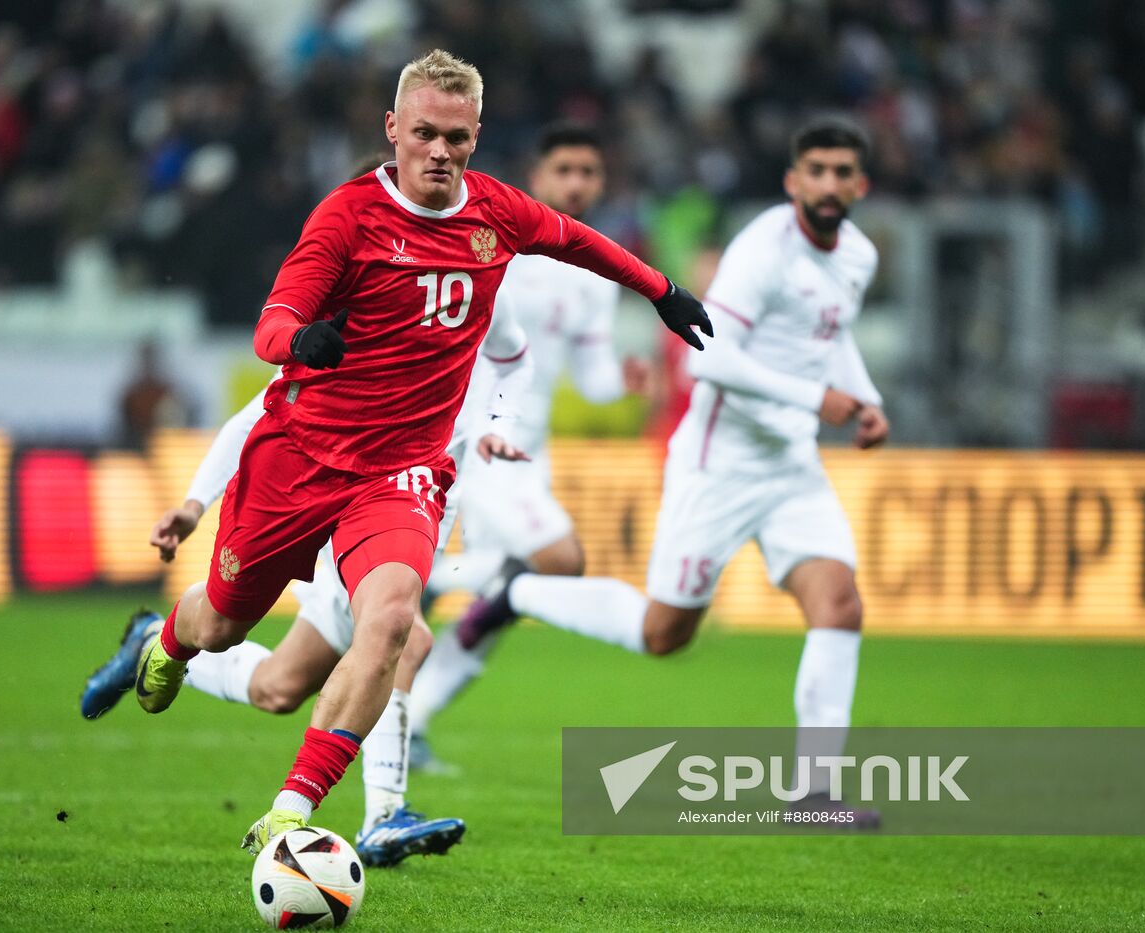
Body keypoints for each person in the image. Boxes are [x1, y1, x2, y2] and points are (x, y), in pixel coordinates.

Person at [123, 49, 711, 855]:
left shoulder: (495, 213)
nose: (441, 152)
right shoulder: (346, 216)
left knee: (396, 619)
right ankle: (165, 642)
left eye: (459, 138)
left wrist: (662, 291)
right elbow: (272, 326)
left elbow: (579, 243)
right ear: (393, 130)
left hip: (401, 475)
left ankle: (295, 812)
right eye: (426, 134)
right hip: (300, 461)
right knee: (224, 627)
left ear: (477, 137)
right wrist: (303, 338)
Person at [453, 119, 887, 824]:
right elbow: (707, 357)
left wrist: (865, 399)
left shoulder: (858, 256)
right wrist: (819, 399)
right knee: (664, 634)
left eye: (844, 172)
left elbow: (832, 340)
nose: (831, 184)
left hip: (792, 463)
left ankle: (813, 791)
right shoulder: (762, 253)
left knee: (839, 603)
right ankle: (522, 592)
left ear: (861, 184)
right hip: (719, 464)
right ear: (793, 180)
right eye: (818, 170)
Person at [82, 280, 533, 866]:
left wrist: (503, 425)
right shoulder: (373, 326)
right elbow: (259, 414)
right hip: (351, 517)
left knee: (280, 686)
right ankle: (383, 818)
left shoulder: (479, 305)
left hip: (412, 522)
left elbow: (514, 361)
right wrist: (194, 504)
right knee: (406, 636)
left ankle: (153, 638)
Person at [407, 123, 649, 766]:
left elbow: (592, 380)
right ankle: (431, 581)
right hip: (472, 438)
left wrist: (623, 382)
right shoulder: (496, 241)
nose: (577, 183)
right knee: (558, 561)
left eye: (589, 171)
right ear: (538, 177)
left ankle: (415, 717)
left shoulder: (596, 272)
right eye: (564, 169)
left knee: (504, 601)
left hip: (525, 456)